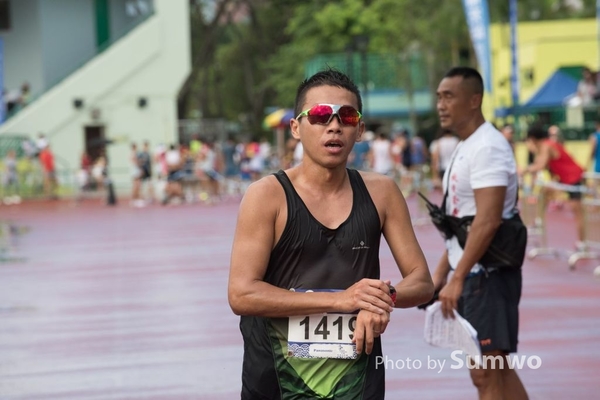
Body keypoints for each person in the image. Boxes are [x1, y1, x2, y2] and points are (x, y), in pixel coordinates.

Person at [228, 68, 434, 399]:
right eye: (321, 115)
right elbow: (241, 294)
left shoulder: (382, 193)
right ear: (296, 127)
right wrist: (341, 300)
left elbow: (422, 281)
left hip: (355, 380)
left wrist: (381, 299)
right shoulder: (266, 196)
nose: (334, 125)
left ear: (360, 129)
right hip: (278, 380)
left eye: (347, 116)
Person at [431, 66, 528, 400]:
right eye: (439, 97)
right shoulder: (466, 145)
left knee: (486, 374)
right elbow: (462, 222)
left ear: (474, 100)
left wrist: (456, 278)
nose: (441, 104)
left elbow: (487, 221)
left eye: (449, 96)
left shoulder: (487, 147)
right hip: (473, 273)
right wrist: (441, 275)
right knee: (496, 372)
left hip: (486, 276)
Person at [523, 124, 585, 245]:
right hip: (564, 180)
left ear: (532, 139)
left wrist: (523, 170)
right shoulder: (544, 146)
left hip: (574, 179)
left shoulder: (547, 146)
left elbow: (540, 165)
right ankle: (538, 220)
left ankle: (582, 243)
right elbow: (540, 164)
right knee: (544, 191)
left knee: (577, 212)